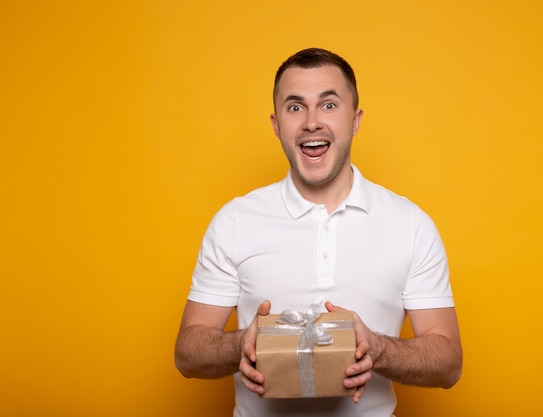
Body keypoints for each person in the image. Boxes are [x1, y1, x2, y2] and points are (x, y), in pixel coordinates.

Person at [175, 47, 462, 417]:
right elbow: (187, 352)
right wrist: (239, 346)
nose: (312, 122)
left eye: (328, 105)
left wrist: (378, 349)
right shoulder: (235, 221)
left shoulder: (410, 225)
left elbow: (449, 362)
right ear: (277, 124)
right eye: (295, 107)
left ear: (355, 120)